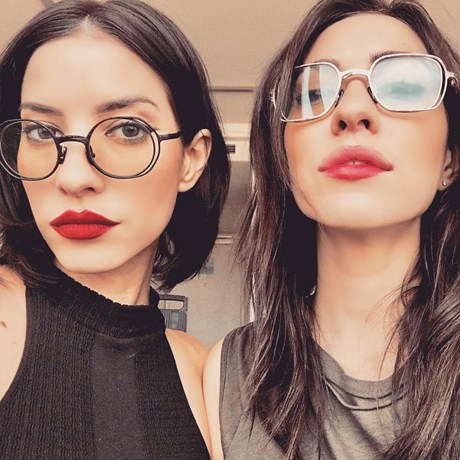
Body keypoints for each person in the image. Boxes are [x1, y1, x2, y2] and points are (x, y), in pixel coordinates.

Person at [204, 0, 460, 458]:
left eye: (404, 85)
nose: (353, 109)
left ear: (450, 159)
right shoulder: (230, 371)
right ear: (284, 161)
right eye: (314, 92)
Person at [0, 0, 229, 458]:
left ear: (191, 159)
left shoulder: (206, 373)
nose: (73, 177)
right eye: (41, 132)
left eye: (127, 129)